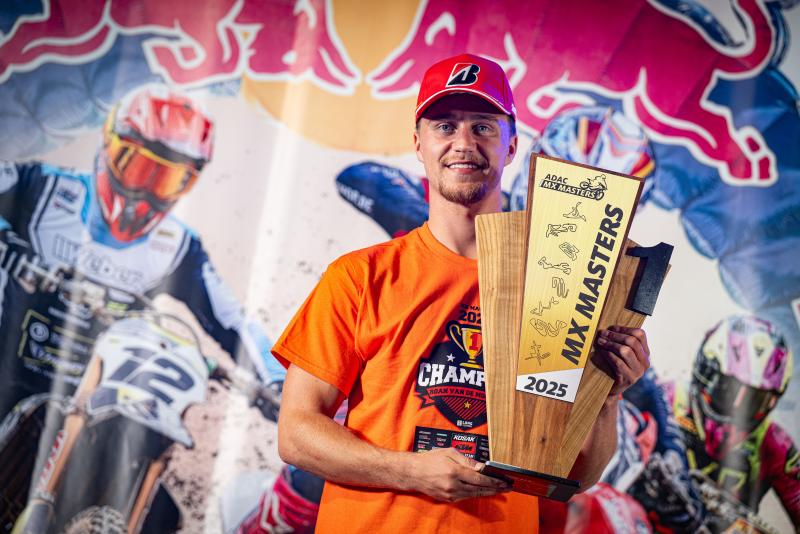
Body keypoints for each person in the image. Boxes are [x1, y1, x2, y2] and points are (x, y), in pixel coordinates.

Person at [272, 53, 650, 533]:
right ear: (419, 143)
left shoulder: (560, 292)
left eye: (484, 127)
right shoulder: (359, 276)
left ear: (512, 146)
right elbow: (296, 434)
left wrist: (609, 396)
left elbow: (576, 476)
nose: (464, 143)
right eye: (445, 126)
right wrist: (411, 472)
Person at [0, 84, 285, 423]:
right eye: (139, 168)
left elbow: (233, 320)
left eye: (169, 179)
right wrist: (7, 242)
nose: (148, 191)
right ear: (110, 145)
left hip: (87, 409)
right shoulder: (43, 187)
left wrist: (278, 382)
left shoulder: (178, 246)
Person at [667, 315, 800, 530]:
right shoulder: (666, 400)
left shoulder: (776, 444)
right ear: (705, 374)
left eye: (754, 400)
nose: (736, 410)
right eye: (727, 390)